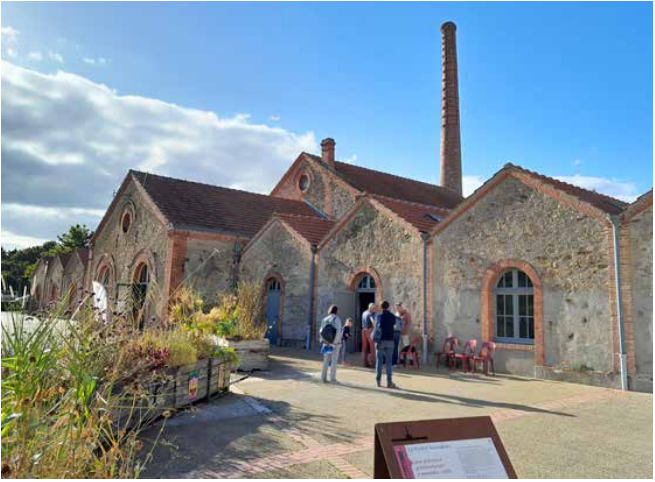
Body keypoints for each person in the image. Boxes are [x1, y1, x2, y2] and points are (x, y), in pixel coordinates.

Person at [373, 300, 399, 389]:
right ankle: (389, 382)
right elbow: (395, 327)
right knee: (389, 362)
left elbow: (376, 327)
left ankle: (378, 381)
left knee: (379, 361)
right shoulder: (393, 316)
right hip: (390, 341)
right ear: (388, 307)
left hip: (380, 341)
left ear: (381, 307)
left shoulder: (378, 316)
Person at [320, 305, 342, 383]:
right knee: (334, 361)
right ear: (336, 311)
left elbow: (321, 331)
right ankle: (332, 379)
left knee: (325, 360)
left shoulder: (325, 319)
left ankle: (323, 378)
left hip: (326, 342)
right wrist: (335, 343)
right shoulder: (337, 319)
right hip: (335, 343)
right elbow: (338, 332)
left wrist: (323, 341)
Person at [361, 303, 376, 368]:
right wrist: (375, 328)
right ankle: (373, 364)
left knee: (365, 348)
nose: (374, 309)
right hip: (370, 331)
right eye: (373, 308)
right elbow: (373, 321)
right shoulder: (371, 313)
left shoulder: (364, 313)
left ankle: (365, 363)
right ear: (371, 308)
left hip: (363, 330)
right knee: (372, 348)